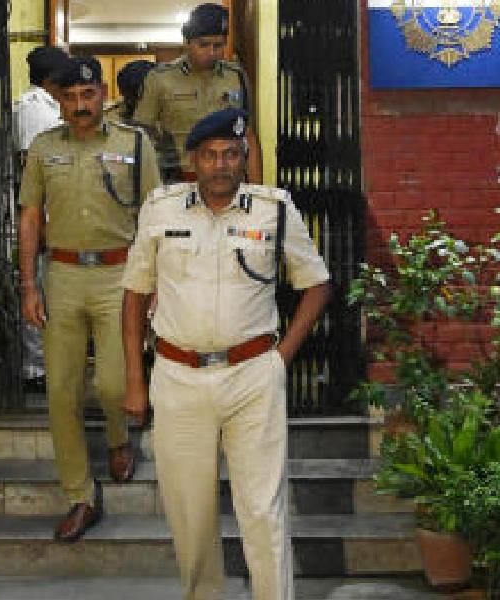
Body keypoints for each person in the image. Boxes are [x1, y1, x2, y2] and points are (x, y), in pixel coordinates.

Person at [121, 108, 331, 600]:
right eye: (211, 155)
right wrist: (135, 376)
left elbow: (316, 284)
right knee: (190, 514)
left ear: (244, 159)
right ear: (193, 160)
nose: (221, 165)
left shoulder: (273, 208)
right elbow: (134, 295)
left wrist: (282, 357)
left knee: (262, 509)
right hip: (178, 376)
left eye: (231, 155)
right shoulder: (161, 209)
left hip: (252, 376)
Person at [18, 56, 162, 541]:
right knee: (61, 391)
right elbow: (31, 219)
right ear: (59, 100)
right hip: (61, 274)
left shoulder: (136, 145)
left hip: (120, 276)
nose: (81, 106)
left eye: (89, 96)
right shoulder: (42, 148)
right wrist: (29, 285)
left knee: (113, 385)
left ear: (102, 94)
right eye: (71, 98)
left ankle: (120, 438)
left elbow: (154, 216)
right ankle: (79, 495)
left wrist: (156, 283)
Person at [132, 3, 263, 184]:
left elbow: (248, 135)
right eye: (203, 45)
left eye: (218, 45)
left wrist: (256, 190)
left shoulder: (236, 76)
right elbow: (141, 138)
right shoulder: (160, 79)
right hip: (179, 179)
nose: (211, 52)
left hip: (229, 179)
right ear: (187, 43)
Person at [13, 45, 70, 392]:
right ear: (50, 79)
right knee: (37, 286)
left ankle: (44, 363)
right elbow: (35, 169)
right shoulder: (35, 111)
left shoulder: (47, 107)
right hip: (39, 212)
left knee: (47, 287)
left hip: (48, 211)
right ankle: (35, 369)